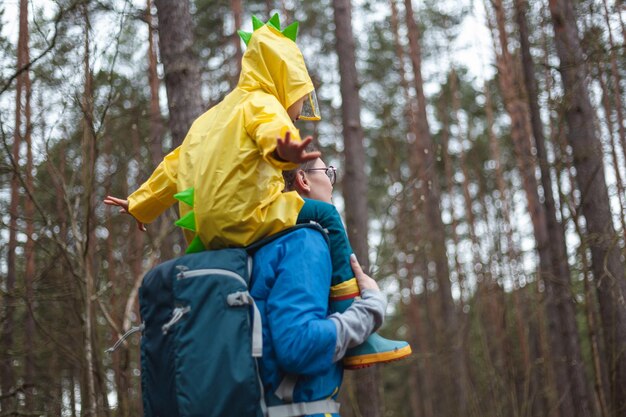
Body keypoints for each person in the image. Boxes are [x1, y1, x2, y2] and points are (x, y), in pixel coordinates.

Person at [104, 14, 409, 367]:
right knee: (324, 215)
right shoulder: (263, 103)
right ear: (284, 78)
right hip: (249, 216)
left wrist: (141, 203)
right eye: (298, 95)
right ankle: (351, 315)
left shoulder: (209, 119)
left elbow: (175, 165)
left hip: (209, 232)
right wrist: (286, 152)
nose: (297, 109)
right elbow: (271, 132)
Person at [250, 220, 385, 416]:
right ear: (305, 185)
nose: (330, 188)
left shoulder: (249, 245)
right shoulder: (302, 240)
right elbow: (299, 344)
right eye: (331, 185)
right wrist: (371, 308)